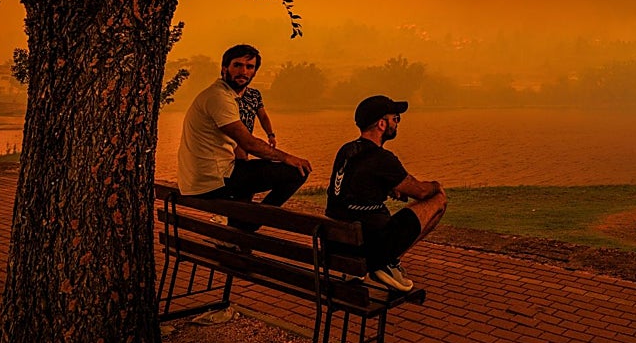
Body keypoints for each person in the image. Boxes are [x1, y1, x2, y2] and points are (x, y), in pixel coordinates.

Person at [176, 44, 312, 227]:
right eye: (237, 65)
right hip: (212, 180)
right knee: (298, 171)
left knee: (246, 171)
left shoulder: (226, 95)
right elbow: (249, 143)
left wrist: (268, 137)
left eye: (249, 67)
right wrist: (288, 158)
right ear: (224, 68)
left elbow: (242, 137)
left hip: (201, 178)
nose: (243, 71)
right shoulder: (219, 97)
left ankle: (241, 226)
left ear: (254, 72)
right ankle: (252, 223)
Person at [326, 95, 447, 292]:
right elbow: (421, 191)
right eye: (395, 118)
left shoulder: (346, 151)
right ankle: (388, 262)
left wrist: (386, 187)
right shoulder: (382, 158)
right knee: (438, 201)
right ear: (381, 124)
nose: (397, 123)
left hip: (341, 244)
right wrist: (436, 186)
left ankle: (369, 267)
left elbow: (352, 186)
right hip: (372, 245)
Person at [233, 82, 276, 160]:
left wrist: (270, 135)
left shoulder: (254, 95)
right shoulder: (225, 95)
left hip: (246, 140)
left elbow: (263, 116)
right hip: (229, 138)